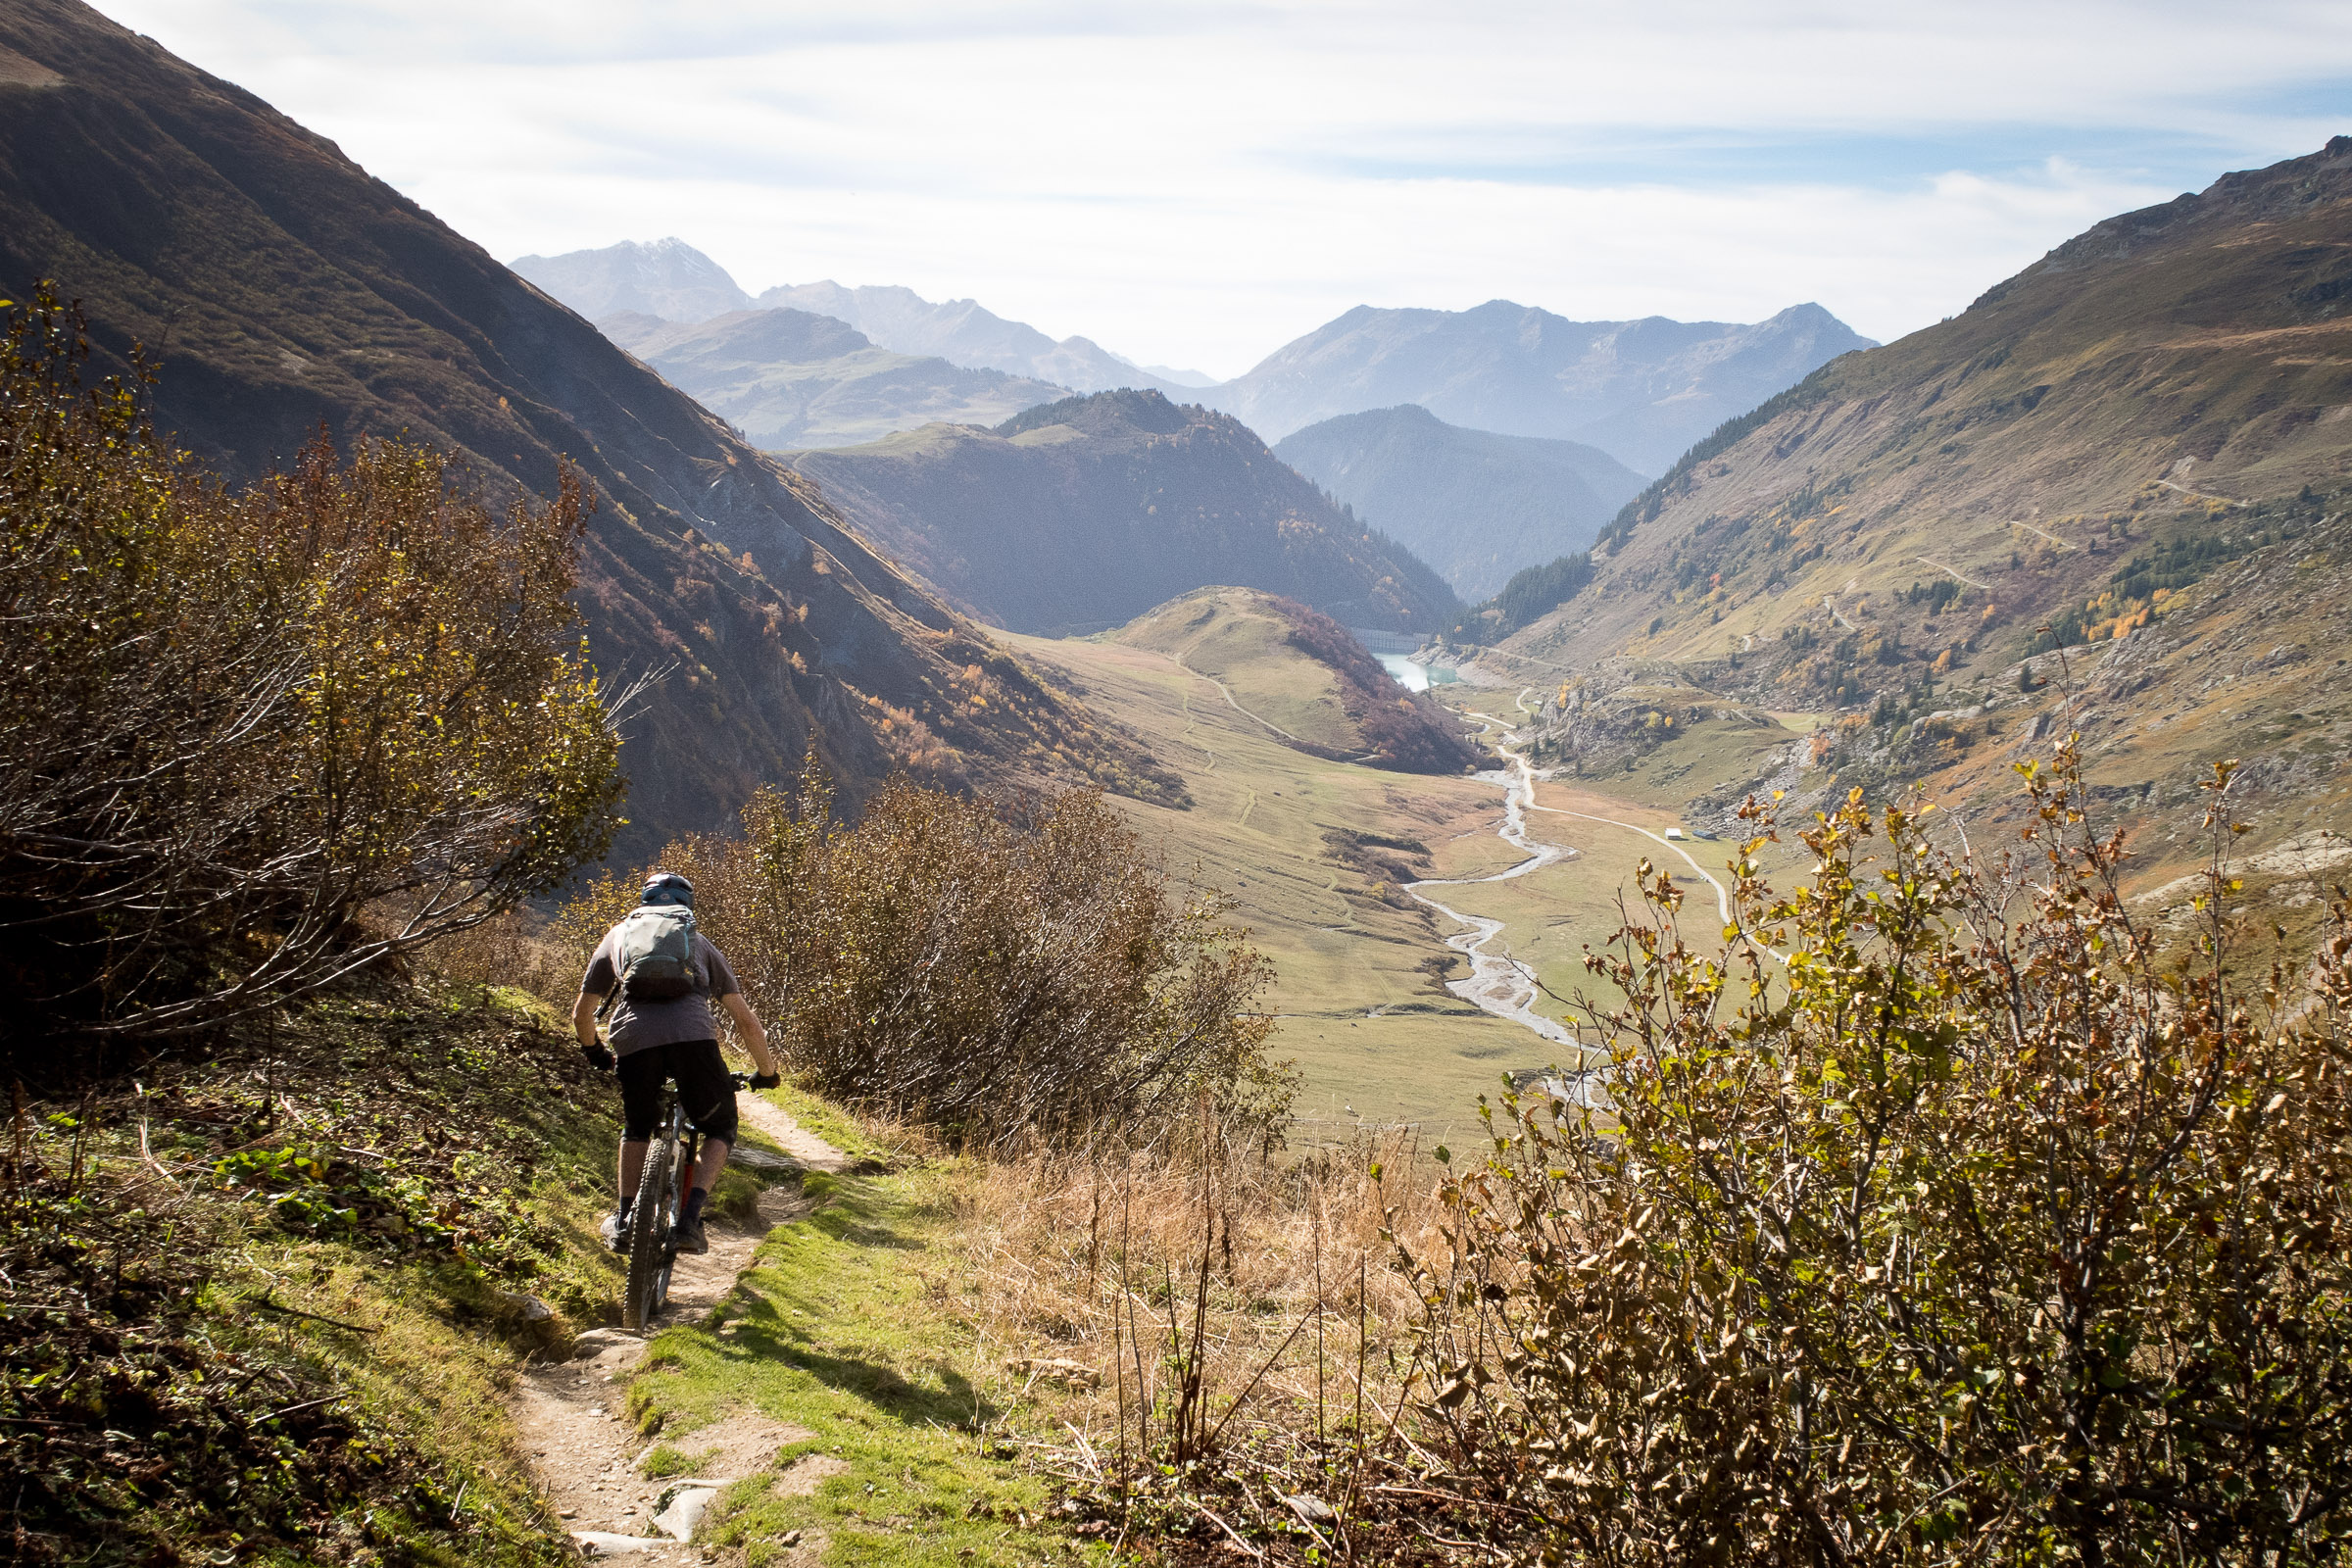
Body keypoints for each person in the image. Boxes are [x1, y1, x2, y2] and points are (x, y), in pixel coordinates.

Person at [573, 871, 780, 1254]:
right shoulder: (698, 943)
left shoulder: (617, 938)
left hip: (633, 1041)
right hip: (693, 1039)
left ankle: (623, 1220)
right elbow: (746, 1021)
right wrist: (767, 1073)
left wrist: (596, 1052)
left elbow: (582, 1015)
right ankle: (689, 1220)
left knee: (636, 1127)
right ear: (687, 906)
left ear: (644, 901)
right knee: (720, 1126)